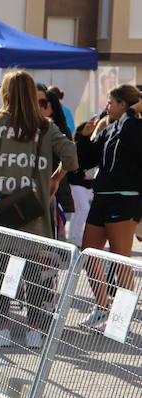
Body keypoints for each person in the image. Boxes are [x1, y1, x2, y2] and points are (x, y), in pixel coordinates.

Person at [0, 71, 78, 348]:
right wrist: (54, 179)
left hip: (3, 212)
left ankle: (2, 328)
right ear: (32, 94)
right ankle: (34, 330)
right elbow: (70, 155)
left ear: (5, 93)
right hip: (35, 212)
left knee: (3, 270)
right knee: (34, 273)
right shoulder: (45, 125)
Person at [74, 84, 142, 327]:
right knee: (88, 253)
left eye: (111, 103)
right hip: (101, 197)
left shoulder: (133, 127)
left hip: (124, 198)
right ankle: (102, 306)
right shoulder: (110, 128)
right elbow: (87, 160)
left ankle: (121, 318)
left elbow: (130, 135)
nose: (106, 107)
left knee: (120, 259)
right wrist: (83, 137)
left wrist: (131, 115)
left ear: (124, 105)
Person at [38, 85, 76, 238]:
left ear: (52, 107)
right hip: (33, 193)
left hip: (55, 192)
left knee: (55, 238)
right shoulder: (29, 128)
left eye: (43, 104)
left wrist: (55, 179)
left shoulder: (59, 129)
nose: (38, 107)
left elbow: (70, 157)